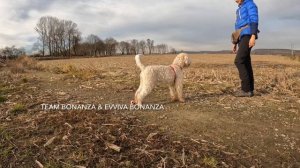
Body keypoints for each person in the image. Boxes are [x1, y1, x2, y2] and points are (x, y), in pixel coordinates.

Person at [232, 0, 259, 97]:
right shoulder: (238, 9)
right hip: (241, 36)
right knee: (246, 62)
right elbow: (237, 26)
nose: (235, 0)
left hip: (248, 34)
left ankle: (245, 89)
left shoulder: (250, 4)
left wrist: (253, 35)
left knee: (239, 61)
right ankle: (250, 89)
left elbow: (254, 19)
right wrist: (235, 42)